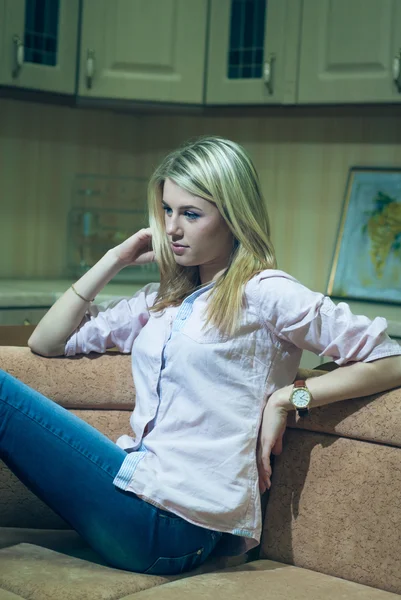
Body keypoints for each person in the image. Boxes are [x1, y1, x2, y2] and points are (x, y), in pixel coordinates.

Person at [1, 136, 401, 576]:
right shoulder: (161, 301)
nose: (172, 228)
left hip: (174, 523)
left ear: (233, 217)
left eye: (191, 214)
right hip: (137, 491)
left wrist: (291, 397)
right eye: (167, 211)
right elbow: (47, 342)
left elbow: (391, 359)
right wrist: (116, 257)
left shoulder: (265, 292)